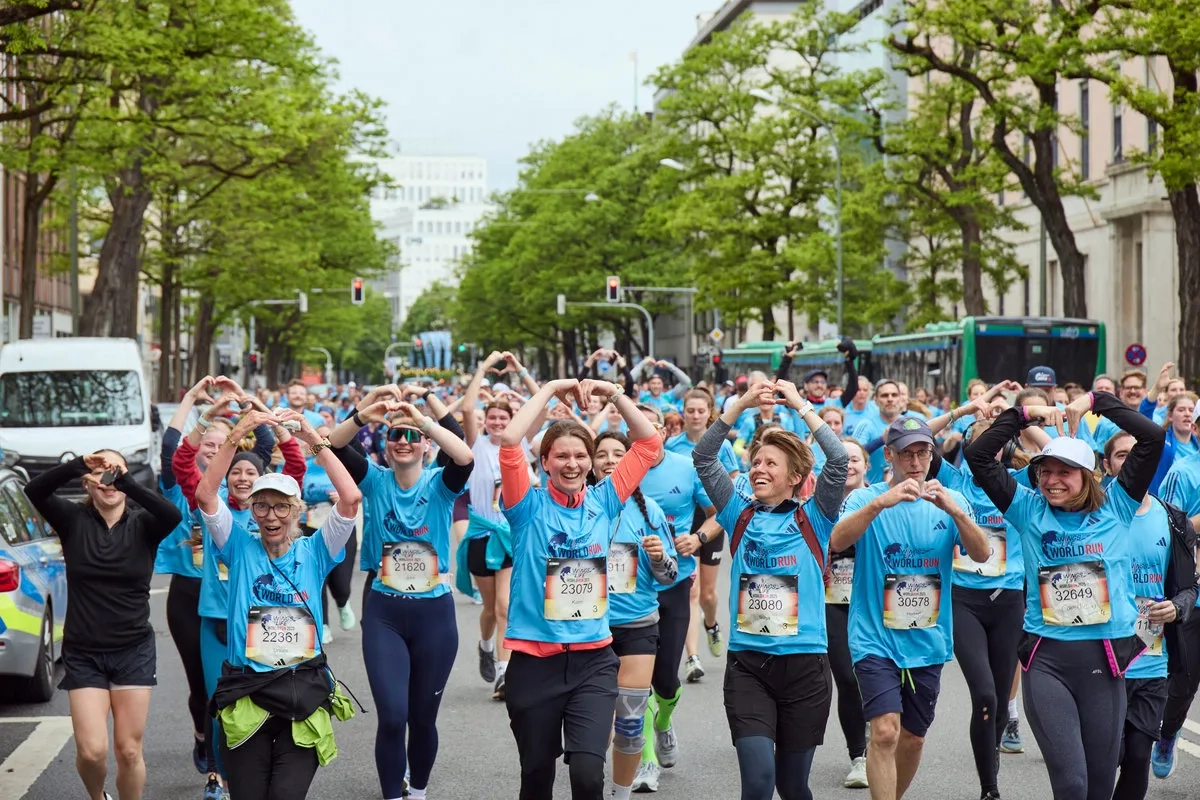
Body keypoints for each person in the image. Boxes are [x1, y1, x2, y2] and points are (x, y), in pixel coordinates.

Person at [963, 391, 1165, 800]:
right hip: (1048, 662)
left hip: (1104, 664)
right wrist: (1022, 414)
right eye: (1045, 472)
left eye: (1064, 472)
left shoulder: (1118, 505)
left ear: (1089, 475)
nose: (1052, 481)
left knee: (1098, 788)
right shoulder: (1027, 508)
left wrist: (1095, 400)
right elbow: (980, 455)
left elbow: (1153, 438)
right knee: (1071, 786)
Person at [499, 378, 661, 800]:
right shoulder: (526, 507)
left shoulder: (606, 501)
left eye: (579, 456)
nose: (571, 464)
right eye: (561, 456)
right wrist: (553, 388)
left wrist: (613, 393)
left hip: (593, 662)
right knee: (536, 777)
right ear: (546, 462)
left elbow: (648, 445)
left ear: (591, 463)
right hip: (534, 664)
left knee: (588, 775)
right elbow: (510, 440)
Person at [692, 379, 848, 800]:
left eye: (771, 464)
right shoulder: (736, 514)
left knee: (793, 786)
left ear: (796, 477)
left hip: (806, 669)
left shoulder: (814, 518)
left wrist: (800, 404)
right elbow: (704, 457)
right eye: (755, 462)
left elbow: (837, 459)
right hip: (750, 668)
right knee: (759, 781)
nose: (759, 469)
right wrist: (739, 404)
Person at [197, 409, 360, 800]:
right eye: (262, 506)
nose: (272, 516)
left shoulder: (316, 550)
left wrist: (309, 435)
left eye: (282, 506)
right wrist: (235, 435)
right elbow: (205, 494)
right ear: (252, 511)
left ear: (297, 511)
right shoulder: (238, 546)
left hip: (300, 692)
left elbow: (351, 498)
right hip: (247, 693)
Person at [831, 417, 991, 800]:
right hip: (874, 636)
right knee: (885, 730)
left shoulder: (948, 500)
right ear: (889, 456)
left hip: (927, 637)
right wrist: (880, 503)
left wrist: (957, 512)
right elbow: (837, 540)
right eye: (906, 454)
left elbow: (983, 552)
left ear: (932, 455)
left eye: (922, 452)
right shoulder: (863, 497)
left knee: (913, 739)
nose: (915, 462)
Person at [328, 396, 474, 800]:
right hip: (385, 612)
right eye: (396, 436)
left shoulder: (440, 485)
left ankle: (419, 790)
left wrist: (423, 420)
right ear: (385, 444)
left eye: (412, 437)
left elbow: (463, 457)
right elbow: (334, 445)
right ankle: (394, 793)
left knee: (423, 719)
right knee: (393, 716)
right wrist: (363, 414)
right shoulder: (374, 479)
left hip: (435, 616)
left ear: (427, 445)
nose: (404, 441)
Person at [25, 449, 183, 800]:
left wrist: (126, 480)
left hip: (133, 650)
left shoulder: (144, 524)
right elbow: (34, 490)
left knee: (128, 750)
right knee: (92, 751)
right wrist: (81, 463)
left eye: (117, 474)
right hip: (84, 652)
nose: (109, 481)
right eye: (100, 474)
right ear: (87, 483)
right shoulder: (72, 519)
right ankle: (98, 797)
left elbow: (172, 514)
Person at [1103, 433, 1197, 800]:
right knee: (1110, 755)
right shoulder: (1093, 513)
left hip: (1151, 660)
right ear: (1107, 465)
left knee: (1138, 756)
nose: (1131, 461)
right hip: (1102, 660)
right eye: (1121, 455)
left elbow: (1189, 588)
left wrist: (1176, 607)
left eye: (1137, 454)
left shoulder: (1172, 519)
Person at [590, 432, 678, 800]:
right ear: (591, 462)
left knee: (628, 721)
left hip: (638, 626)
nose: (610, 460)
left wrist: (658, 557)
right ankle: (589, 779)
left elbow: (670, 576)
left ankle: (622, 789)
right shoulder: (581, 506)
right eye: (602, 454)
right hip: (588, 628)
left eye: (618, 454)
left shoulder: (649, 512)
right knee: (598, 729)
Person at [461, 351, 541, 700]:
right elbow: (466, 410)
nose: (496, 422)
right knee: (490, 608)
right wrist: (481, 369)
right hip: (481, 533)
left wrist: (521, 371)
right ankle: (485, 644)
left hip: (511, 535)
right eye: (491, 417)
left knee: (506, 606)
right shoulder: (474, 445)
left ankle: (505, 674)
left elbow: (540, 405)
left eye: (502, 418)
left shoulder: (519, 444)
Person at [825, 437, 870, 789]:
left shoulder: (882, 500)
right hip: (832, 602)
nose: (850, 466)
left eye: (855, 459)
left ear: (866, 466)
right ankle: (859, 756)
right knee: (847, 678)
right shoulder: (818, 504)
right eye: (843, 460)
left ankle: (880, 726)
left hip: (875, 602)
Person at [299, 425, 357, 645]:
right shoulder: (302, 466)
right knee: (317, 578)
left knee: (341, 581)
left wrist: (341, 500)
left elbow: (357, 495)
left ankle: (342, 602)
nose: (321, 441)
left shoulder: (342, 466)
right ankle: (322, 624)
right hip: (310, 528)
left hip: (341, 528)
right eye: (317, 437)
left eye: (326, 437)